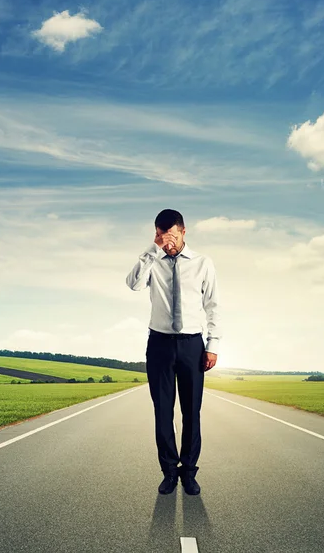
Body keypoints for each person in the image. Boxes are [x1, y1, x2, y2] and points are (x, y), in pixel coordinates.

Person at [125, 209, 221, 495]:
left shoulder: (203, 263)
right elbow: (133, 284)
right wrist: (153, 250)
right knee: (163, 412)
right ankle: (169, 472)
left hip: (192, 345)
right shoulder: (153, 261)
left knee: (191, 412)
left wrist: (213, 345)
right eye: (161, 236)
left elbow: (213, 305)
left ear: (183, 231)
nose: (168, 243)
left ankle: (189, 473)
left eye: (172, 237)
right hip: (160, 345)